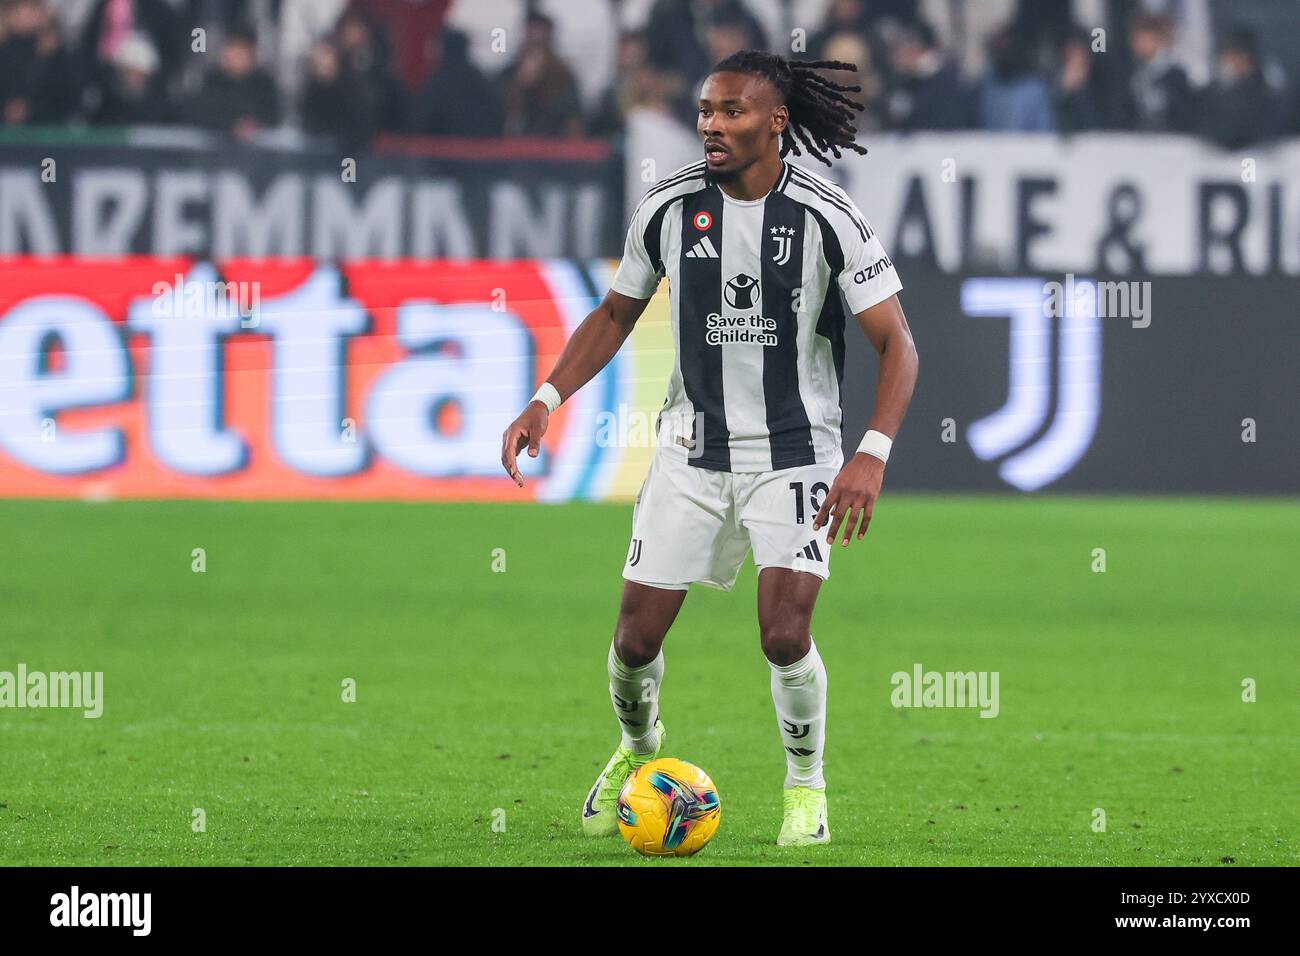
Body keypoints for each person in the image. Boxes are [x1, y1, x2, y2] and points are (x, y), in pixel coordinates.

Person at [501, 52, 919, 847]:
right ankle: (637, 750)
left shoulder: (829, 217)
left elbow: (898, 344)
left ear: (776, 120)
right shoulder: (666, 207)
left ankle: (805, 789)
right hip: (691, 453)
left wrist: (872, 453)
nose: (712, 126)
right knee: (633, 642)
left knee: (784, 633)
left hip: (796, 454)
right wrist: (545, 397)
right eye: (705, 111)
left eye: (731, 112)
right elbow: (615, 314)